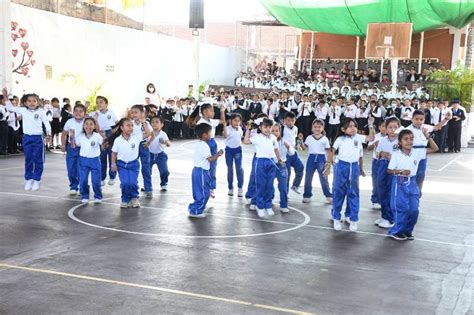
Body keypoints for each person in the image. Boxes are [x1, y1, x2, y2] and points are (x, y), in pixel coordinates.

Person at [325, 117, 375, 232]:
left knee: (353, 193)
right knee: (339, 192)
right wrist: (328, 164)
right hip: (341, 167)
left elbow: (371, 138)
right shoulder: (340, 139)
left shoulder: (358, 137)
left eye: (354, 126)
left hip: (354, 167)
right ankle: (336, 217)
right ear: (343, 129)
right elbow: (331, 151)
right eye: (350, 126)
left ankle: (353, 219)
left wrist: (371, 125)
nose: (353, 128)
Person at [387, 129, 438, 241]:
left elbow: (435, 148)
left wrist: (428, 136)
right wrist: (400, 171)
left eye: (411, 139)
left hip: (413, 182)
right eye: (405, 139)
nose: (409, 141)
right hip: (400, 182)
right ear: (399, 142)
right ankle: (396, 231)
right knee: (402, 209)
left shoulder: (417, 152)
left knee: (414, 210)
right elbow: (389, 170)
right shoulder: (396, 155)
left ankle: (407, 231)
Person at [3, 88, 52, 190]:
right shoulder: (23, 110)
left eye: (34, 101)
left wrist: (48, 134)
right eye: (29, 101)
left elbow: (47, 123)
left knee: (38, 160)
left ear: (38, 102)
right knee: (28, 159)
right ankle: (28, 179)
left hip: (38, 138)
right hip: (27, 138)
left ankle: (37, 179)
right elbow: (10, 108)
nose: (32, 103)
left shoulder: (41, 111)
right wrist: (6, 97)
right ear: (25, 103)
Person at [243, 118, 283, 218]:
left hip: (271, 162)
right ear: (260, 127)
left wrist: (279, 160)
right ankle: (259, 206)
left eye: (269, 127)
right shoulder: (257, 137)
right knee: (260, 185)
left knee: (269, 185)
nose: (268, 129)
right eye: (265, 127)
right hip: (260, 162)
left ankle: (268, 205)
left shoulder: (273, 137)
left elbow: (276, 149)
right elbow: (246, 141)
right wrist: (248, 130)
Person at [186, 102, 225, 198]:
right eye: (211, 110)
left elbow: (223, 121)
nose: (213, 112)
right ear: (204, 111)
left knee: (213, 167)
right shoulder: (201, 122)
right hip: (206, 143)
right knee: (206, 165)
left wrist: (222, 110)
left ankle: (211, 188)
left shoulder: (212, 121)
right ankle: (205, 186)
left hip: (212, 143)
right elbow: (200, 134)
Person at [188, 123, 224, 218]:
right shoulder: (204, 145)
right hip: (201, 172)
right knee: (204, 193)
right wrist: (218, 154)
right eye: (209, 133)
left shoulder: (200, 144)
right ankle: (196, 211)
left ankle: (194, 207)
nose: (211, 134)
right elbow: (210, 159)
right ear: (204, 135)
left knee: (198, 191)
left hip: (197, 171)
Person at [108, 118, 146, 208]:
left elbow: (148, 134)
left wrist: (143, 122)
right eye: (128, 125)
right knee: (125, 183)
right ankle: (125, 199)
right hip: (122, 165)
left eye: (132, 125)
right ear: (121, 128)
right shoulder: (118, 140)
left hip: (134, 165)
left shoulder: (136, 137)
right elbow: (114, 153)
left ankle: (134, 197)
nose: (131, 127)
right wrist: (113, 164)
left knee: (133, 182)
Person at [374, 117, 400, 229]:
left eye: (395, 127)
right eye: (390, 127)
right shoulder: (383, 140)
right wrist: (382, 154)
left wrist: (392, 156)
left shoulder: (401, 140)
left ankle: (390, 219)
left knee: (390, 192)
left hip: (394, 167)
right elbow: (377, 153)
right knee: (381, 190)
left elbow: (405, 155)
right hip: (383, 165)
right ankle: (384, 215)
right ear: (386, 128)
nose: (392, 130)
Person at [302, 119, 332, 204]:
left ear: (323, 128)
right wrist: (300, 141)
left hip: (321, 158)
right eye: (315, 127)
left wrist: (329, 162)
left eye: (319, 127)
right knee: (308, 177)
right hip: (311, 158)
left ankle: (328, 195)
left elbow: (328, 151)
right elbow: (304, 148)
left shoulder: (325, 139)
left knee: (323, 178)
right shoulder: (309, 138)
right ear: (312, 128)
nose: (317, 129)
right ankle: (307, 195)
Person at [74, 117, 103, 203]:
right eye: (86, 124)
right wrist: (72, 137)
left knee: (96, 181)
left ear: (94, 126)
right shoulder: (80, 136)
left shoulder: (97, 136)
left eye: (91, 124)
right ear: (83, 126)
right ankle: (84, 195)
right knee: (83, 180)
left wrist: (104, 137)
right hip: (83, 161)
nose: (88, 126)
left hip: (95, 160)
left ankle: (98, 196)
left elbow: (104, 145)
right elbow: (74, 145)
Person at [93, 96, 118, 186]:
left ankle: (112, 175)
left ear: (106, 104)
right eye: (97, 102)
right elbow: (94, 126)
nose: (99, 104)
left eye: (101, 102)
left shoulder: (111, 113)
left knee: (112, 156)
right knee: (102, 157)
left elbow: (117, 123)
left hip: (110, 134)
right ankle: (102, 178)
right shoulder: (95, 114)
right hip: (101, 134)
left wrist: (113, 132)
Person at [61, 104, 86, 195]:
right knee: (71, 169)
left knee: (82, 169)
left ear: (84, 113)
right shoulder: (69, 122)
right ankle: (73, 186)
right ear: (73, 112)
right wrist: (63, 144)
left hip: (83, 148)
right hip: (71, 147)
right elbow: (64, 134)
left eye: (81, 111)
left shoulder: (86, 122)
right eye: (76, 111)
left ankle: (82, 187)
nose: (78, 113)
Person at [130, 105, 152, 198]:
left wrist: (144, 123)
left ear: (142, 113)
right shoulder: (130, 123)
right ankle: (134, 188)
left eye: (136, 112)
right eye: (132, 112)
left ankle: (148, 189)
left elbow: (148, 134)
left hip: (143, 145)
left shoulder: (146, 123)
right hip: (133, 146)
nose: (133, 114)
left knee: (146, 168)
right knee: (134, 167)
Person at [282, 112, 304, 194]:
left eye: (292, 120)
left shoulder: (296, 128)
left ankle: (295, 185)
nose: (290, 122)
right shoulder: (282, 128)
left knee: (300, 167)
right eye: (288, 120)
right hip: (285, 153)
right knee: (287, 174)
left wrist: (298, 144)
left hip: (293, 152)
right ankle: (285, 193)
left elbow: (295, 138)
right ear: (284, 121)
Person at [272, 123, 291, 213]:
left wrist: (289, 147)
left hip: (281, 165)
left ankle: (284, 205)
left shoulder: (283, 141)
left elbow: (291, 151)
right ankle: (269, 200)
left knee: (283, 186)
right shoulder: (267, 141)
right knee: (268, 185)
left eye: (277, 131)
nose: (275, 133)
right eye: (273, 131)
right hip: (271, 165)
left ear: (280, 132)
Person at [148, 116, 171, 192]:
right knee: (147, 171)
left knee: (164, 171)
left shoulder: (163, 134)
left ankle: (164, 184)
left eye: (157, 122)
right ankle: (147, 185)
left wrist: (165, 142)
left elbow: (168, 143)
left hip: (160, 155)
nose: (154, 124)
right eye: (152, 122)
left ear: (162, 124)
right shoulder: (148, 133)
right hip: (150, 155)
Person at [223, 113, 244, 197]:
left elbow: (240, 138)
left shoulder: (240, 129)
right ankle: (230, 187)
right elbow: (225, 136)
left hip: (238, 150)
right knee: (230, 169)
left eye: (238, 121)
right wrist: (224, 126)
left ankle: (240, 188)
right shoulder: (227, 129)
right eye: (235, 120)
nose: (236, 122)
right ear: (230, 120)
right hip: (229, 150)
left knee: (239, 168)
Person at [367, 120, 386, 209]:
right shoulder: (375, 137)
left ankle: (385, 200)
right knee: (376, 181)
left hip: (388, 161)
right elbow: (368, 148)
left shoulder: (393, 138)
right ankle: (375, 200)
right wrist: (375, 144)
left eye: (387, 126)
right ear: (379, 127)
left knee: (386, 182)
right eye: (383, 126)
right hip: (377, 161)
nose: (385, 128)